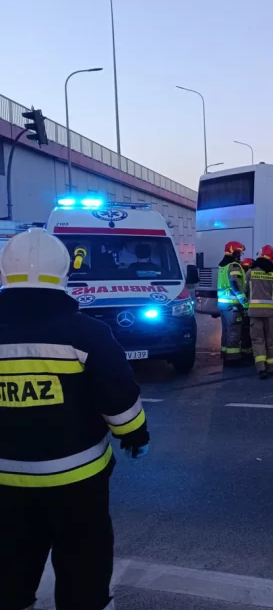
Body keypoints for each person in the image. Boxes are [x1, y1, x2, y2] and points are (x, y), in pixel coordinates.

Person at [0, 228, 149, 610]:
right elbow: (117, 395)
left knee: (10, 562)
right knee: (83, 562)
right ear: (64, 274)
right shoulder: (89, 334)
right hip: (77, 481)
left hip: (5, 482)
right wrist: (134, 434)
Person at [245, 245, 273, 379]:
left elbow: (246, 291)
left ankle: (261, 368)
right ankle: (271, 367)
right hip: (271, 313)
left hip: (254, 313)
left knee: (257, 340)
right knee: (271, 340)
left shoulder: (250, 273)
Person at [217, 241, 248, 366]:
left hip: (224, 305)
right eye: (239, 252)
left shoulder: (222, 266)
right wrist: (244, 302)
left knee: (226, 331)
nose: (240, 255)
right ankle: (233, 358)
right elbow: (236, 284)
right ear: (234, 252)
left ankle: (225, 354)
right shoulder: (234, 266)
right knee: (234, 331)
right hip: (233, 305)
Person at [240, 258, 254, 360]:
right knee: (247, 330)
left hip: (244, 306)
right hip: (248, 307)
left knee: (244, 330)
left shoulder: (243, 276)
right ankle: (247, 352)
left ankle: (246, 351)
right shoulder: (249, 276)